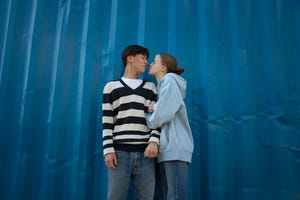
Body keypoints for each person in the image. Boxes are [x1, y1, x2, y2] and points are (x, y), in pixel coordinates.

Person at [102, 44, 160, 200]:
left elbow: (157, 119)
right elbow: (107, 122)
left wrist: (154, 142)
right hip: (119, 155)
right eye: (143, 57)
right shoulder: (111, 87)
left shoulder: (151, 88)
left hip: (146, 155)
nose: (146, 62)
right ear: (130, 58)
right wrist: (108, 151)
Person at [146, 53, 194, 200]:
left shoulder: (170, 81)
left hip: (175, 148)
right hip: (168, 149)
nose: (150, 64)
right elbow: (164, 110)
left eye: (154, 62)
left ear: (163, 67)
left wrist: (149, 116)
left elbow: (162, 116)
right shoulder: (163, 86)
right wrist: (157, 108)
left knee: (175, 197)